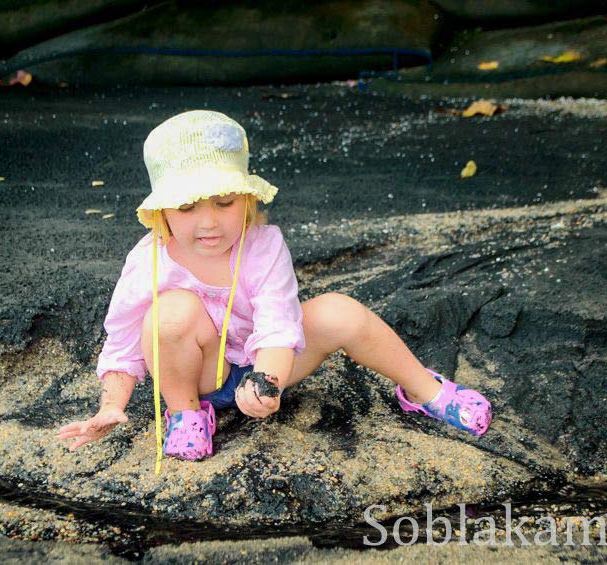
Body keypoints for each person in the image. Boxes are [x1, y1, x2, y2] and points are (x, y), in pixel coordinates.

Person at [57, 110, 492, 473]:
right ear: (162, 211)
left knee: (339, 311)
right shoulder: (149, 258)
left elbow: (279, 322)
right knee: (169, 313)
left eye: (224, 203)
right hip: (200, 372)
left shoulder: (262, 245)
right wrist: (113, 404)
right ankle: (186, 413)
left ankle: (423, 390)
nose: (208, 222)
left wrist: (267, 382)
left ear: (247, 200)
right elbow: (124, 338)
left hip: (266, 363)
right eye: (188, 208)